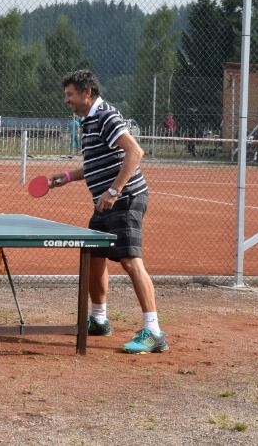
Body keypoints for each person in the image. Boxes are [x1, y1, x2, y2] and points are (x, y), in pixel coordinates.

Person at [49, 69, 168, 354]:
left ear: (86, 93)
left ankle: (153, 333)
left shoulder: (106, 116)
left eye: (70, 95)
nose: (66, 100)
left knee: (130, 260)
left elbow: (135, 152)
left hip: (125, 199)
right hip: (105, 202)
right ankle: (99, 320)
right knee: (95, 255)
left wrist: (114, 191)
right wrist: (66, 177)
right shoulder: (88, 122)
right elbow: (95, 165)